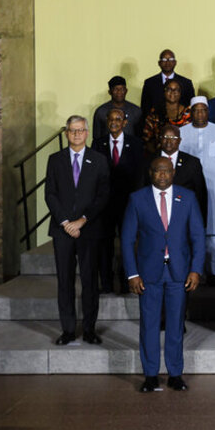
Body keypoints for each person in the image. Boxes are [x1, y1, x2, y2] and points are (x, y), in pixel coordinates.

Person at [120, 157, 205, 393]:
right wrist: (132, 274)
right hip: (148, 274)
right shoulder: (137, 199)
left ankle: (175, 374)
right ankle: (150, 375)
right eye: (158, 171)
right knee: (149, 325)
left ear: (173, 173)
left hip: (179, 272)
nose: (163, 175)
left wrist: (196, 269)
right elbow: (127, 240)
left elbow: (198, 237)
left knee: (176, 325)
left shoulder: (187, 198)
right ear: (151, 173)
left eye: (167, 171)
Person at [44, 116, 110, 345]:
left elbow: (103, 196)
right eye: (72, 131)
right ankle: (68, 330)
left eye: (80, 130)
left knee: (91, 281)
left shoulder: (99, 160)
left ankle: (90, 329)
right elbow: (50, 194)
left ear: (87, 132)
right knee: (65, 281)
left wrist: (83, 220)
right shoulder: (55, 160)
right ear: (66, 133)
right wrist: (65, 222)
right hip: (62, 230)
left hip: (89, 229)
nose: (77, 134)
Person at [178, 98, 215, 287]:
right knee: (186, 230)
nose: (200, 114)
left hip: (214, 190)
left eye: (203, 110)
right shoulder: (181, 132)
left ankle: (213, 272)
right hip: (187, 190)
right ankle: (190, 270)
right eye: (196, 110)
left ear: (208, 112)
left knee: (213, 232)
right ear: (190, 112)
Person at [91, 107, 145, 293]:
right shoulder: (98, 144)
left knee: (127, 243)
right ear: (107, 122)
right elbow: (94, 175)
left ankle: (125, 281)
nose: (114, 122)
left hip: (128, 204)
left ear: (125, 122)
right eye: (111, 119)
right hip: (104, 206)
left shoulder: (136, 144)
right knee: (104, 245)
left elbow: (140, 175)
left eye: (118, 119)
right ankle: (106, 283)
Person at [144, 124, 208, 232]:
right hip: (154, 221)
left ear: (179, 140)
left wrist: (200, 225)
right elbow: (141, 190)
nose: (169, 141)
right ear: (160, 139)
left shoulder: (192, 162)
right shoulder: (148, 161)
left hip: (184, 222)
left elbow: (200, 195)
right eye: (165, 137)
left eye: (173, 138)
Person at [141, 79, 191, 153]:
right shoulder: (155, 112)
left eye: (176, 90)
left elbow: (191, 137)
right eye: (169, 89)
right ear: (164, 92)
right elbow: (147, 138)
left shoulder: (188, 113)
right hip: (158, 154)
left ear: (180, 93)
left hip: (184, 154)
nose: (172, 92)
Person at [140, 49, 195, 116]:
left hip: (180, 121)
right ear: (159, 63)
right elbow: (145, 107)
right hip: (156, 122)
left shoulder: (186, 83)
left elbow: (190, 107)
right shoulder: (149, 83)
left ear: (175, 62)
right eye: (164, 60)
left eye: (170, 59)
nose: (167, 62)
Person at [92, 75, 142, 140]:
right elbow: (96, 137)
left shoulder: (136, 111)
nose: (119, 92)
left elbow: (140, 137)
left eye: (122, 89)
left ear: (126, 91)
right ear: (110, 92)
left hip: (131, 149)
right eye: (115, 89)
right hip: (106, 149)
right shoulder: (101, 111)